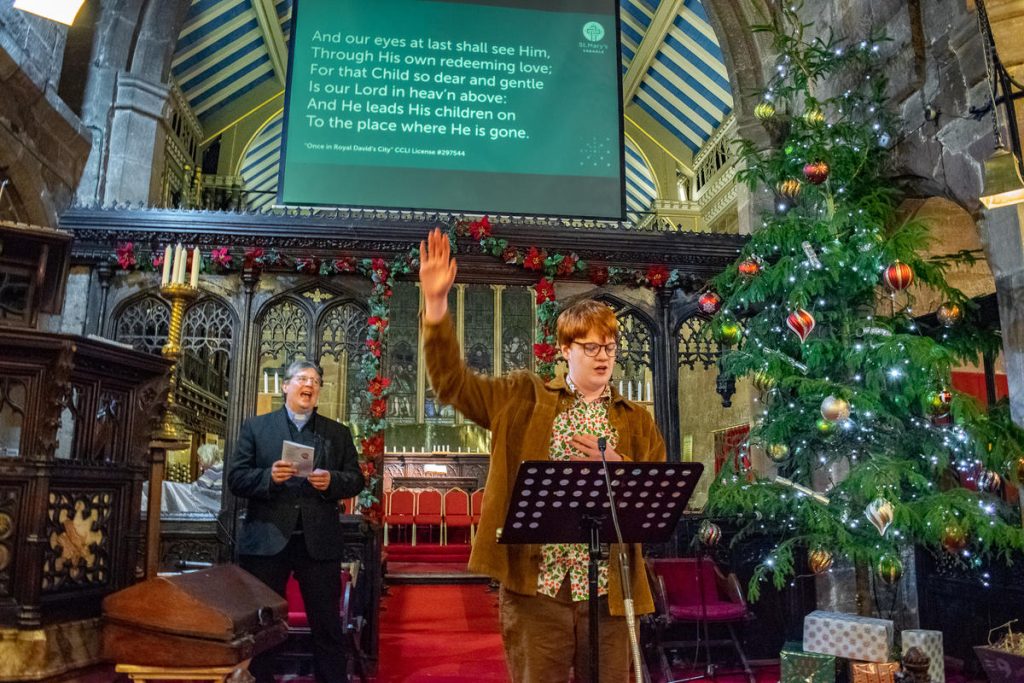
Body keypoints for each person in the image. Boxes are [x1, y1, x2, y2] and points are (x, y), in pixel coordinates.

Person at [419, 228, 666, 682]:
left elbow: (655, 499)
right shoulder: (522, 398)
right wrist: (435, 307)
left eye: (609, 347)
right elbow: (453, 385)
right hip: (539, 589)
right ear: (564, 350)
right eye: (590, 347)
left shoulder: (636, 420)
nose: (603, 357)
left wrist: (621, 469)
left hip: (610, 591)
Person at [227, 360, 365, 683]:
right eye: (303, 379)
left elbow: (356, 479)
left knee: (327, 627)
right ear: (286, 386)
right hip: (267, 541)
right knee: (264, 627)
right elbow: (236, 478)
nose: (310, 385)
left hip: (317, 543)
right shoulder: (256, 429)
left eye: (316, 381)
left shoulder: (337, 433)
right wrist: (268, 477)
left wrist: (332, 481)